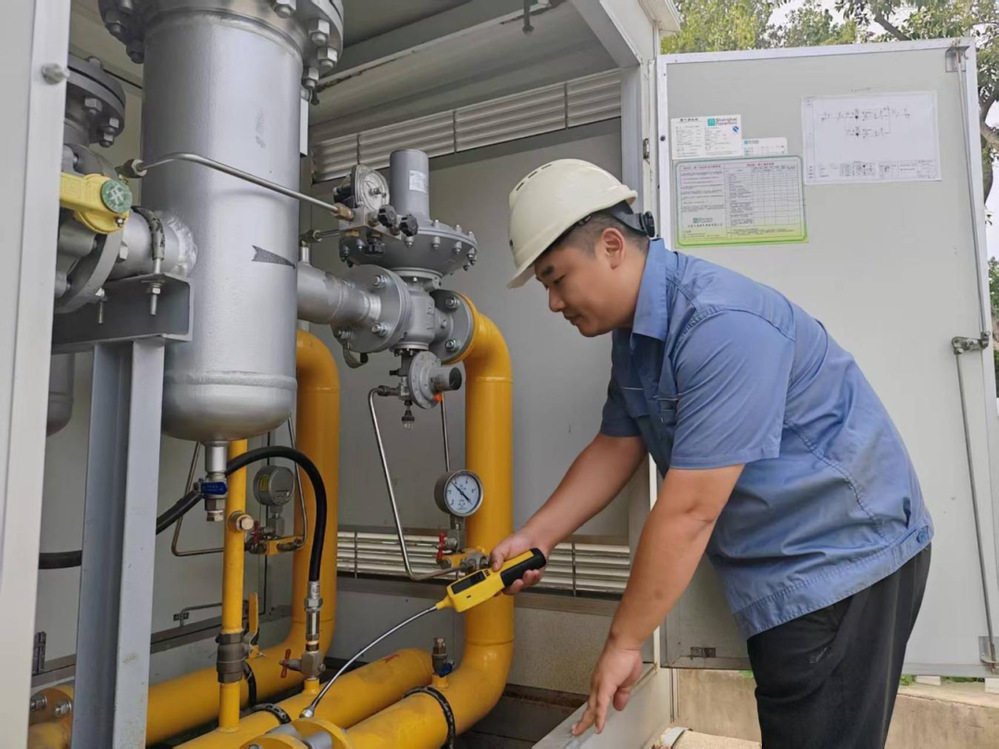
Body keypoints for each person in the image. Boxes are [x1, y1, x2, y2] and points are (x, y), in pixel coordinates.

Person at [489, 159, 932, 747]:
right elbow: (617, 444)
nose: (552, 302)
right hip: (792, 558)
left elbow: (690, 510)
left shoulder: (719, 324)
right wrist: (537, 536)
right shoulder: (635, 337)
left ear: (613, 246)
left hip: (840, 557)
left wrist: (623, 643)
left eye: (556, 278)